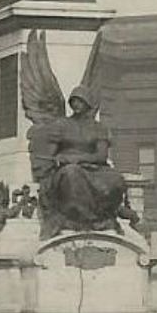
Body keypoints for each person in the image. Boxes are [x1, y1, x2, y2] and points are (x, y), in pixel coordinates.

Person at [31, 86, 130, 237]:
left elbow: (101, 156)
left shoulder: (98, 128)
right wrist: (58, 159)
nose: (76, 104)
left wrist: (78, 158)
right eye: (73, 101)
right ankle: (79, 219)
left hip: (93, 167)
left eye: (80, 101)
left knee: (115, 178)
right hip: (66, 168)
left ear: (88, 103)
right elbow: (50, 154)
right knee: (72, 174)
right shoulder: (62, 125)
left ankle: (101, 218)